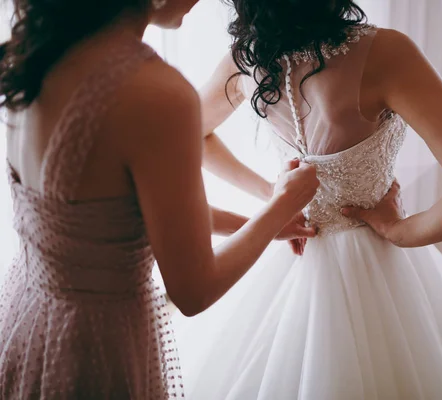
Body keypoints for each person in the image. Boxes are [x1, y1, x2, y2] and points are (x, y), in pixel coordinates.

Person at [176, 0, 442, 398]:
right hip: (379, 270)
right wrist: (398, 230)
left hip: (288, 256)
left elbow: (187, 136)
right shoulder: (385, 52)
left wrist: (278, 199)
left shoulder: (246, 58)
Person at [0, 0, 319, 397]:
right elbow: (194, 291)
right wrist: (282, 202)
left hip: (27, 323)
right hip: (94, 346)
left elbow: (117, 214)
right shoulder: (156, 93)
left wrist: (262, 223)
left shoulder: (37, 53)